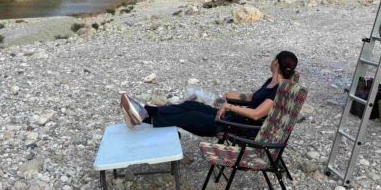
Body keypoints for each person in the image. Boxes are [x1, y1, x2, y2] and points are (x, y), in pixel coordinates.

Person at [119, 51, 299, 136]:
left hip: (237, 126)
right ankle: (145, 112)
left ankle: (141, 117)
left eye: (273, 59)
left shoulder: (278, 90)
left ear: (276, 63)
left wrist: (228, 106)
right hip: (232, 117)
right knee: (192, 105)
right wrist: (227, 96)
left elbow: (256, 113)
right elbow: (252, 98)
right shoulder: (271, 82)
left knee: (191, 116)